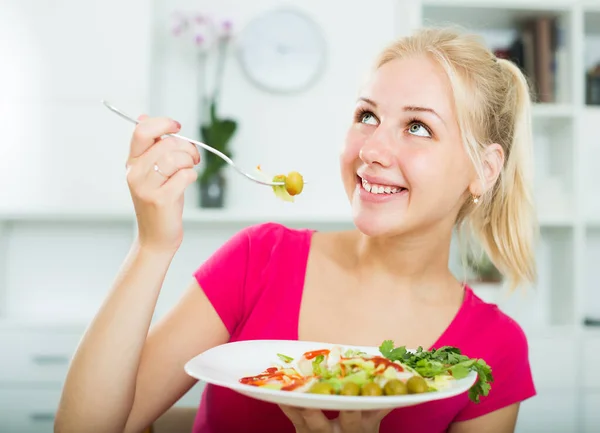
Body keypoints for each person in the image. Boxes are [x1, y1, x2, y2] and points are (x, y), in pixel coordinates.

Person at [54, 26, 538, 433]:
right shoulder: (259, 259)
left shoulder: (492, 350)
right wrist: (153, 246)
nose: (371, 149)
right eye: (367, 116)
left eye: (417, 127)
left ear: (485, 170)